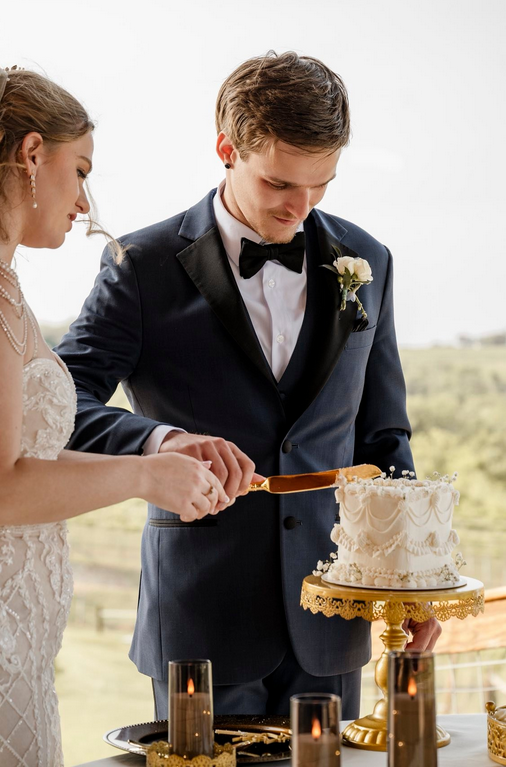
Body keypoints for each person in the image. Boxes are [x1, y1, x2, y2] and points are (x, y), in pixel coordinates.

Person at [57, 51, 442, 719]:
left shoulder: (368, 260)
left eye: (321, 184)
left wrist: (407, 578)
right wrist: (159, 441)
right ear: (225, 148)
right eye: (278, 184)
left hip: (333, 611)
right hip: (200, 620)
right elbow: (59, 403)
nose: (301, 207)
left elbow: (384, 435)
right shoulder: (139, 265)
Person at [0, 60, 231, 767]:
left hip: (3, 638)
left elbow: (19, 463)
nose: (85, 199)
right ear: (30, 153)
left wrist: (153, 460)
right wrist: (144, 480)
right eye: (80, 169)